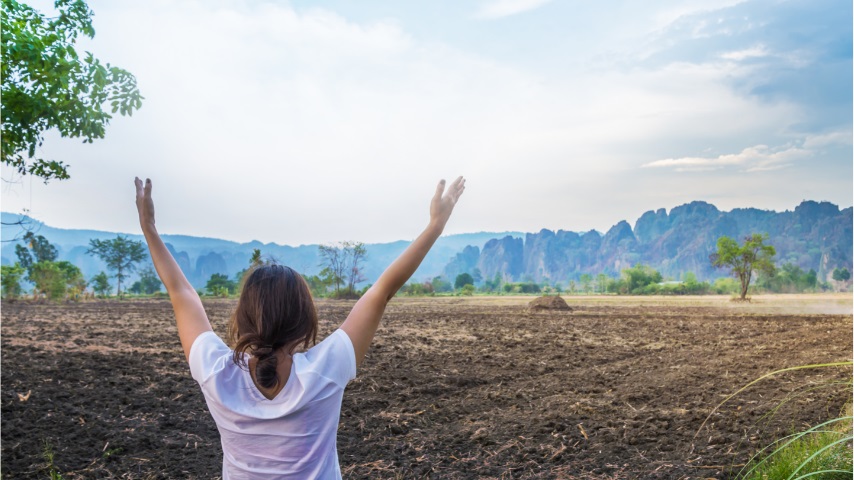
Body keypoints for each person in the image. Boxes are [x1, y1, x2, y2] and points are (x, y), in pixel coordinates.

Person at [134, 176, 466, 479]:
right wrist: (436, 225)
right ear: (305, 320)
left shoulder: (216, 372)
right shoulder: (326, 369)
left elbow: (181, 293)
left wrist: (149, 227)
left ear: (242, 318)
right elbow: (381, 291)